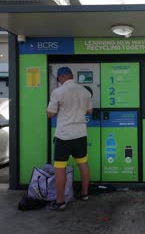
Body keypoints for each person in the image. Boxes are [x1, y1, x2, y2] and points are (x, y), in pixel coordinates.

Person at [47, 67, 93, 211]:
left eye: (58, 79)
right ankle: (85, 194)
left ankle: (60, 202)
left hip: (64, 136)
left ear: (61, 77)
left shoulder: (58, 92)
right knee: (83, 164)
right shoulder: (85, 91)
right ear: (72, 76)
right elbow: (90, 111)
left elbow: (50, 114)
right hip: (80, 135)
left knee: (59, 168)